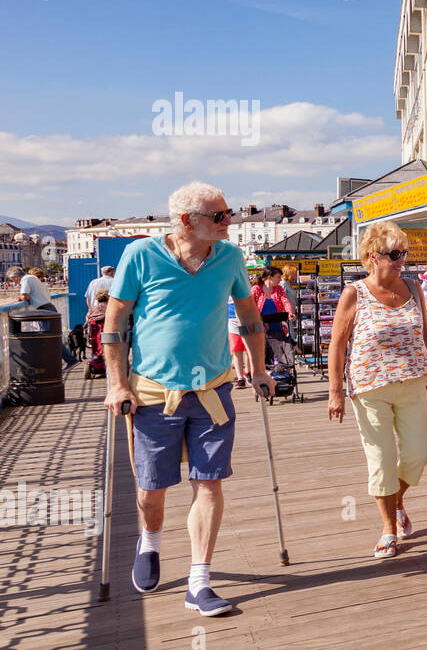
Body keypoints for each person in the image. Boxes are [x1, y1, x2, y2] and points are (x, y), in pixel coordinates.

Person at [103, 181, 271, 616]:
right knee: (151, 488)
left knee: (208, 481)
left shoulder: (230, 257)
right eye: (219, 216)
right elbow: (115, 320)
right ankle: (151, 540)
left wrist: (259, 368)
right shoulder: (140, 256)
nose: (228, 221)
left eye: (227, 212)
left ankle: (199, 580)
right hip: (154, 392)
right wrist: (116, 384)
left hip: (213, 389)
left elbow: (249, 315)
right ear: (186, 221)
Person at [327, 221, 427, 558]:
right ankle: (389, 527)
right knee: (381, 459)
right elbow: (337, 343)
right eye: (394, 254)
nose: (401, 259)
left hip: (414, 380)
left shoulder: (413, 287)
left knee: (419, 454)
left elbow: (426, 334)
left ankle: (398, 499)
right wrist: (335, 392)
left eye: (403, 253)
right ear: (373, 256)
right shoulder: (354, 293)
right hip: (369, 385)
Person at [10, 266, 77, 369]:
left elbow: (25, 296)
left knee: (50, 339)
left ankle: (70, 360)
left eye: (12, 279)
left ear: (15, 277)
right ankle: (61, 361)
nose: (14, 282)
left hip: (43, 310)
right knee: (51, 338)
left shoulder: (26, 279)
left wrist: (19, 298)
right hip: (48, 308)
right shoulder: (32, 278)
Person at [252, 268, 295, 371]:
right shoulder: (256, 289)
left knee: (280, 350)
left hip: (277, 325)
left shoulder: (279, 289)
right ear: (269, 277)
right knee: (262, 353)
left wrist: (290, 313)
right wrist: (259, 321)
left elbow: (286, 302)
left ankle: (282, 373)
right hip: (261, 327)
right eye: (278, 277)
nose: (280, 279)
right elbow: (251, 307)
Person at [227, 297, 251, 387]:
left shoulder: (245, 285)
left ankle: (247, 371)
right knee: (237, 350)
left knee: (249, 349)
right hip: (232, 321)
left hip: (246, 319)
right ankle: (240, 378)